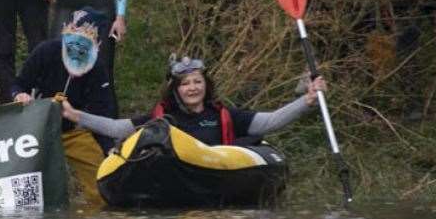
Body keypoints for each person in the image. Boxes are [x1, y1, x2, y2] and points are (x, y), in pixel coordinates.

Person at [62, 56, 327, 147]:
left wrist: (306, 101)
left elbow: (270, 122)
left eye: (197, 82)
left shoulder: (223, 114)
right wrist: (76, 115)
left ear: (206, 86)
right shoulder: (163, 118)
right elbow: (118, 129)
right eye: (186, 84)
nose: (192, 88)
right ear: (176, 90)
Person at [11, 9, 118, 199]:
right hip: (36, 132)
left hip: (74, 131)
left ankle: (100, 213)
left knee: (101, 178)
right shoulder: (45, 51)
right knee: (21, 182)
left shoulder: (98, 69)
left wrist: (109, 148)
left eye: (84, 42)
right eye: (71, 39)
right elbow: (19, 83)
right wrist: (19, 94)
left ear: (97, 44)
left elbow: (103, 113)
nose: (75, 48)